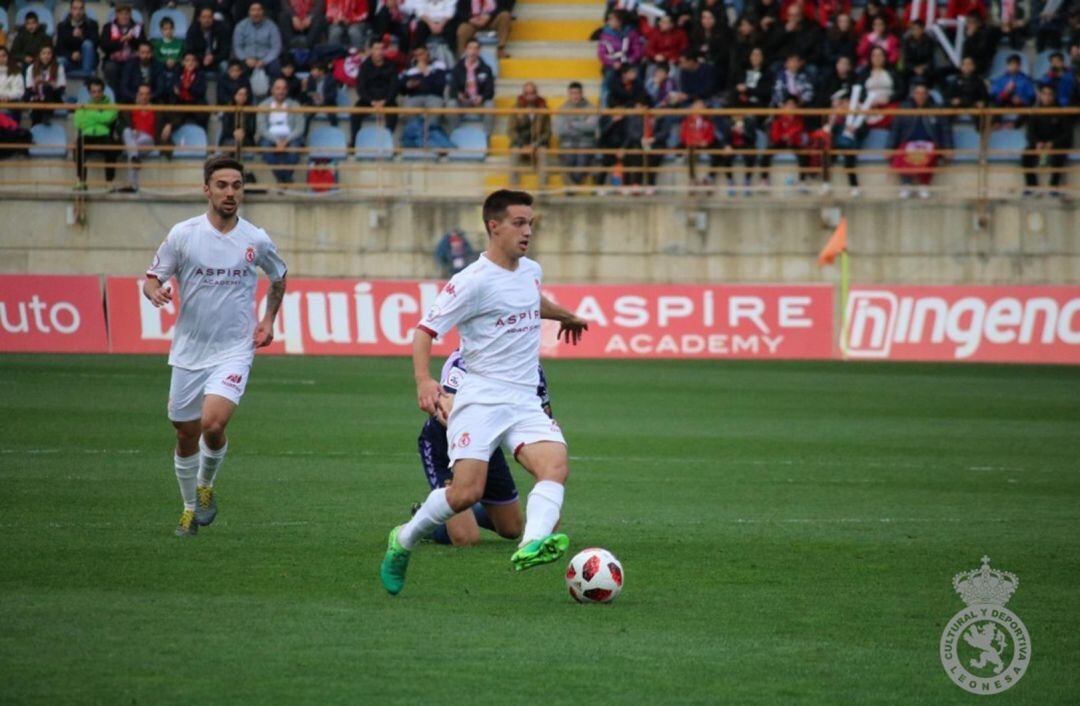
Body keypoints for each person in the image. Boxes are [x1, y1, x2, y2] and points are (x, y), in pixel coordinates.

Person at [379, 189, 589, 594]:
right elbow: (425, 331)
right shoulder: (471, 282)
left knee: (555, 466)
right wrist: (424, 380)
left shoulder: (531, 270)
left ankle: (531, 544)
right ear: (494, 227)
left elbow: (530, 301)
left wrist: (566, 316)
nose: (527, 231)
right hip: (481, 397)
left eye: (530, 223)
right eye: (519, 223)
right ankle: (403, 540)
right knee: (465, 493)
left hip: (524, 398)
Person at [143, 156, 288, 537]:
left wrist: (268, 319)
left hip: (234, 349)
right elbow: (152, 277)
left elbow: (279, 275)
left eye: (237, 186)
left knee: (213, 422)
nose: (230, 193)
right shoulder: (184, 234)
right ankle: (189, 508)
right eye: (222, 185)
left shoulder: (255, 239)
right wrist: (155, 292)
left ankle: (206, 486)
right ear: (206, 189)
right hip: (190, 350)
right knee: (185, 432)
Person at [411, 350, 552, 546]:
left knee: (511, 529)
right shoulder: (463, 360)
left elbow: (543, 414)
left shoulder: (530, 366)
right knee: (466, 538)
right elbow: (445, 412)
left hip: (486, 443)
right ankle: (425, 520)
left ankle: (460, 508)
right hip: (445, 443)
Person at [887, 81, 951, 199]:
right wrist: (889, 147)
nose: (920, 96)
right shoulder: (904, 108)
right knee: (902, 155)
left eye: (923, 93)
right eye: (917, 93)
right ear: (913, 94)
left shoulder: (936, 109)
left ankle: (924, 185)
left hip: (929, 143)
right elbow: (895, 129)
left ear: (927, 95)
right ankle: (906, 185)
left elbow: (945, 129)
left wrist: (948, 148)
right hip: (909, 142)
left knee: (928, 156)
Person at [1021, 83, 1073, 196]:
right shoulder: (1035, 112)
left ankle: (1053, 187)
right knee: (1026, 155)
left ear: (1053, 96)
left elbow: (1067, 134)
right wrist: (1036, 143)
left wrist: (1053, 143)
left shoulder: (1060, 112)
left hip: (1056, 143)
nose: (1047, 97)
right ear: (1040, 95)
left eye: (1049, 94)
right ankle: (1031, 186)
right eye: (1044, 94)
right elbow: (1030, 132)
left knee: (1059, 155)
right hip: (1039, 143)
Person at [256, 77, 305, 184]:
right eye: (278, 88)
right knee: (265, 148)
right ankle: (285, 179)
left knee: (295, 150)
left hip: (290, 136)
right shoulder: (263, 105)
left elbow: (300, 128)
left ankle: (281, 179)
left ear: (287, 90)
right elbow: (262, 128)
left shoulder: (295, 105)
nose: (281, 91)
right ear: (272, 90)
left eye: (283, 88)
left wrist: (286, 141)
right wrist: (276, 141)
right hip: (269, 136)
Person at [74, 78, 119, 188]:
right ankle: (81, 181)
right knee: (78, 147)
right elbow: (78, 123)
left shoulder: (111, 105)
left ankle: (109, 182)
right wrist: (99, 117)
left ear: (103, 92)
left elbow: (109, 118)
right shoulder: (82, 106)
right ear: (89, 93)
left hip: (104, 135)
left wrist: (89, 115)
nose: (97, 94)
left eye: (99, 91)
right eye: (93, 92)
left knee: (112, 149)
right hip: (87, 135)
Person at [351, 39, 400, 138]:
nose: (379, 52)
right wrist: (371, 101)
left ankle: (388, 140)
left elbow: (394, 87)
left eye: (382, 49)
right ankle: (354, 141)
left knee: (394, 112)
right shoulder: (364, 66)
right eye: (376, 49)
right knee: (355, 113)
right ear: (371, 50)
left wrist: (385, 101)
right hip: (368, 100)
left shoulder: (391, 65)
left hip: (387, 100)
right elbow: (361, 88)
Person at [555, 82, 598, 188]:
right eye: (572, 93)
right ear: (569, 94)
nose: (575, 96)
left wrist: (572, 124)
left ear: (582, 93)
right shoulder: (563, 108)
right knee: (568, 161)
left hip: (586, 144)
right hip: (567, 144)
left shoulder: (591, 107)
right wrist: (582, 125)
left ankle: (571, 188)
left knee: (582, 163)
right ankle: (573, 188)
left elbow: (592, 127)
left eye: (577, 93)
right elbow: (559, 130)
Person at [120, 82, 161, 191]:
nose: (144, 97)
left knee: (132, 149)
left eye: (147, 94)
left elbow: (174, 118)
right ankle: (134, 159)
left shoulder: (156, 109)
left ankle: (131, 184)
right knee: (127, 132)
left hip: (148, 141)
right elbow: (123, 126)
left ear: (150, 96)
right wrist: (133, 131)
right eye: (141, 94)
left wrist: (169, 125)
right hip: (134, 140)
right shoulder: (130, 110)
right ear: (137, 95)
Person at [507, 82, 551, 184]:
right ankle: (513, 189)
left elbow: (548, 132)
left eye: (532, 93)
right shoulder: (516, 108)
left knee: (543, 153)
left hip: (538, 143)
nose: (530, 96)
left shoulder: (544, 108)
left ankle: (542, 189)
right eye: (527, 93)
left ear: (536, 93)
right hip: (520, 143)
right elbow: (511, 131)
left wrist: (535, 145)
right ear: (523, 94)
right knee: (514, 152)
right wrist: (522, 144)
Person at [448, 38, 495, 132]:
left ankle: (488, 135)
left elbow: (490, 89)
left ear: (479, 51)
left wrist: (482, 97)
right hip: (463, 102)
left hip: (479, 102)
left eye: (476, 48)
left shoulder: (486, 68)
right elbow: (452, 87)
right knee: (451, 103)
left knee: (489, 104)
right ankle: (455, 132)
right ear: (465, 50)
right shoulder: (457, 68)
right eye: (470, 48)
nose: (473, 51)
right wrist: (458, 95)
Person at [233, 2, 284, 79]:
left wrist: (265, 61)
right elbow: (237, 47)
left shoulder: (272, 26)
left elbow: (276, 47)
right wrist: (246, 59)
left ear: (263, 12)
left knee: (275, 67)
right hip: (247, 58)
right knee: (238, 69)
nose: (256, 13)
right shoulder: (241, 26)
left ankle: (274, 86)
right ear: (249, 12)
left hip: (266, 59)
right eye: (253, 10)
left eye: (259, 10)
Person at [101, 4, 144, 94]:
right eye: (121, 14)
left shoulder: (137, 28)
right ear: (117, 15)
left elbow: (143, 45)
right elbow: (104, 46)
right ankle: (114, 95)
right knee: (110, 68)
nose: (124, 17)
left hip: (132, 59)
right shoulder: (108, 27)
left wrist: (131, 40)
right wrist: (120, 42)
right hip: (113, 60)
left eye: (126, 14)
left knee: (133, 68)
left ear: (130, 15)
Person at [56, 0, 101, 77]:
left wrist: (82, 37)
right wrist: (71, 55)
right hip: (70, 60)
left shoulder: (92, 24)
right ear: (71, 10)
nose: (78, 12)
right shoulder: (62, 26)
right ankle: (85, 75)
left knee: (87, 44)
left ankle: (86, 75)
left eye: (81, 9)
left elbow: (96, 44)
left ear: (84, 10)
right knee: (59, 61)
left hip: (87, 59)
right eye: (75, 8)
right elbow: (59, 48)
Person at [24, 46, 66, 126]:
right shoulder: (31, 68)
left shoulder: (59, 67)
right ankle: (36, 126)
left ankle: (47, 114)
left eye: (49, 53)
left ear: (52, 55)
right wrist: (36, 84)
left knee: (46, 88)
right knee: (36, 100)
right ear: (39, 55)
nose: (46, 56)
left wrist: (52, 85)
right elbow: (29, 88)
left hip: (53, 95)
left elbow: (62, 88)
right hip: (37, 95)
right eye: (43, 53)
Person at [185, 7, 232, 73]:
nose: (206, 20)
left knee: (224, 65)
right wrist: (202, 58)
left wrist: (213, 58)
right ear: (199, 18)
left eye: (209, 17)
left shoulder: (222, 29)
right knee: (190, 63)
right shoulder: (193, 29)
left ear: (213, 18)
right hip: (199, 60)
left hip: (217, 59)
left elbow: (225, 51)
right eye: (204, 17)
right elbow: (189, 49)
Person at [219, 84, 258, 154]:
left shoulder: (251, 111)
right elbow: (225, 129)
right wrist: (234, 133)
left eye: (244, 95)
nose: (242, 97)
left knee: (241, 143)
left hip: (246, 139)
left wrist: (243, 132)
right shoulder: (228, 110)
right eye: (240, 94)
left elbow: (253, 130)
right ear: (234, 95)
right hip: (229, 138)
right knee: (233, 144)